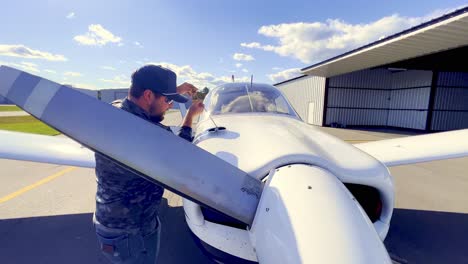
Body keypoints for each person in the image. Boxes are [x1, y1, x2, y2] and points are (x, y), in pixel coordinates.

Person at [93, 64, 204, 263]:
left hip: (119, 224)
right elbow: (183, 156)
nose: (169, 105)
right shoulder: (149, 133)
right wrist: (190, 117)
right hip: (130, 232)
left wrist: (172, 91)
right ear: (148, 96)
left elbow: (143, 102)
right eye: (167, 99)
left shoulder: (114, 110)